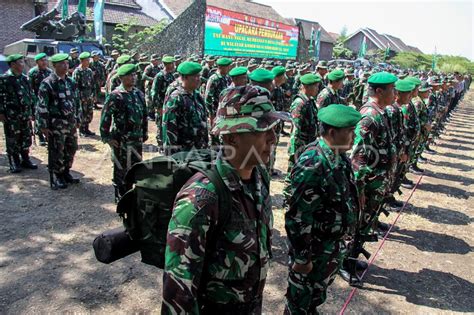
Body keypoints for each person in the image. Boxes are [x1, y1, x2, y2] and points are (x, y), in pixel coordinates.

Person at [162, 84, 289, 314]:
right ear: (231, 138)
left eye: (274, 127)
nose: (273, 138)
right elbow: (178, 291)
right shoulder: (201, 198)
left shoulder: (259, 176)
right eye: (261, 129)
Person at [285, 104, 361, 314]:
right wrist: (302, 258)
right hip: (313, 250)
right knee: (298, 302)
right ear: (332, 132)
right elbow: (298, 215)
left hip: (328, 248)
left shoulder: (338, 156)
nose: (354, 137)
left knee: (315, 296)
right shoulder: (313, 162)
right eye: (350, 132)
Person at [348, 72, 398, 281]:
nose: (395, 93)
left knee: (366, 223)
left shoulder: (381, 112)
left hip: (376, 183)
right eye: (392, 89)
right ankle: (346, 262)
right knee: (357, 223)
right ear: (379, 91)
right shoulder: (369, 115)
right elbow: (358, 157)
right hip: (367, 185)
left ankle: (352, 256)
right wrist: (359, 190)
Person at [100, 64, 148, 202]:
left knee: (135, 165)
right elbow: (106, 117)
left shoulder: (138, 93)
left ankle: (130, 191)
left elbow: (144, 115)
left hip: (136, 139)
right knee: (120, 166)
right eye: (129, 76)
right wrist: (106, 137)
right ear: (121, 78)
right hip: (121, 139)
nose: (133, 78)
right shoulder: (116, 96)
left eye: (134, 75)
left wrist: (144, 133)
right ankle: (120, 194)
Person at [37, 53, 82, 188]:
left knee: (71, 147)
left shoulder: (71, 82)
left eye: (66, 63)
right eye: (62, 63)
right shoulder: (48, 83)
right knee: (57, 150)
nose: (65, 65)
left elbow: (76, 101)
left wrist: (78, 117)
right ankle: (57, 175)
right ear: (54, 65)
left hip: (70, 122)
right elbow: (42, 105)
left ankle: (66, 172)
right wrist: (43, 126)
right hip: (56, 124)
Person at [0, 54, 37, 173]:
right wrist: (1, 113)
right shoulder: (4, 79)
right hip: (12, 115)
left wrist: (33, 109)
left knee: (26, 137)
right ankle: (14, 162)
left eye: (22, 62)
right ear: (12, 65)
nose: (23, 64)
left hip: (25, 113)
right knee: (13, 138)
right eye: (20, 62)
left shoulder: (24, 78)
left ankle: (25, 159)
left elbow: (30, 95)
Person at [162, 61, 209, 155]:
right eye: (195, 77)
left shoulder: (197, 95)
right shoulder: (176, 98)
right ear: (185, 78)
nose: (198, 80)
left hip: (199, 150)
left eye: (199, 76)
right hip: (183, 153)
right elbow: (169, 129)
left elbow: (203, 122)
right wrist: (171, 156)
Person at [151, 55, 176, 146]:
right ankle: (160, 144)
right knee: (161, 126)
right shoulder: (160, 76)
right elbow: (154, 93)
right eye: (172, 63)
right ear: (167, 64)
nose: (174, 65)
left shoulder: (171, 75)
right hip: (161, 106)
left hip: (169, 106)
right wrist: (158, 107)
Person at [28, 52, 52, 146]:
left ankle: (48, 135)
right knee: (39, 117)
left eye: (45, 60)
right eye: (42, 60)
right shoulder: (32, 72)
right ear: (37, 62)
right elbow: (30, 88)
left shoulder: (49, 72)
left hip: (48, 98)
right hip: (37, 99)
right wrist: (33, 100)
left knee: (48, 117)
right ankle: (40, 136)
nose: (44, 62)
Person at [73, 52, 95, 136]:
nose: (88, 62)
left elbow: (93, 83)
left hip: (89, 95)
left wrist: (94, 94)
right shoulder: (77, 71)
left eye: (88, 60)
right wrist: (78, 97)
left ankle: (86, 128)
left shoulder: (89, 71)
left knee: (89, 112)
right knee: (82, 112)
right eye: (86, 60)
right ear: (82, 61)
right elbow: (75, 86)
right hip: (81, 95)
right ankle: (81, 130)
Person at [142, 54, 161, 120]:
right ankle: (149, 114)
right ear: (153, 60)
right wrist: (152, 79)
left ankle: (153, 113)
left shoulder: (158, 68)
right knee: (149, 100)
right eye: (156, 60)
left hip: (155, 86)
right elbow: (144, 76)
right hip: (149, 86)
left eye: (158, 60)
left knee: (154, 99)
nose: (158, 61)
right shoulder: (149, 67)